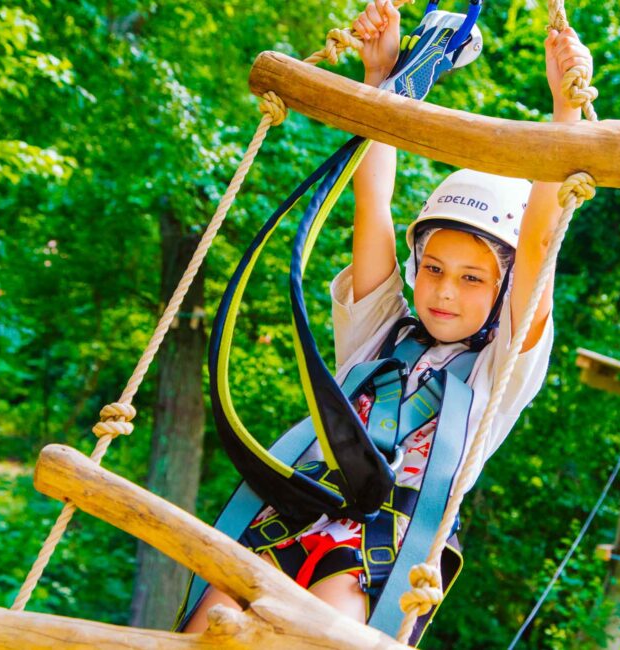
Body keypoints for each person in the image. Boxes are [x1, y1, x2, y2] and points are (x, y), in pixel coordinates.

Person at [183, 0, 593, 631]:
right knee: (214, 626)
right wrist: (382, 84)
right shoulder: (379, 336)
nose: (444, 292)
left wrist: (564, 115)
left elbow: (537, 244)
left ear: (504, 289)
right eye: (433, 269)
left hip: (377, 551)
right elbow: (371, 202)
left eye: (471, 278)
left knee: (311, 631)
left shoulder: (498, 373)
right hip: (287, 515)